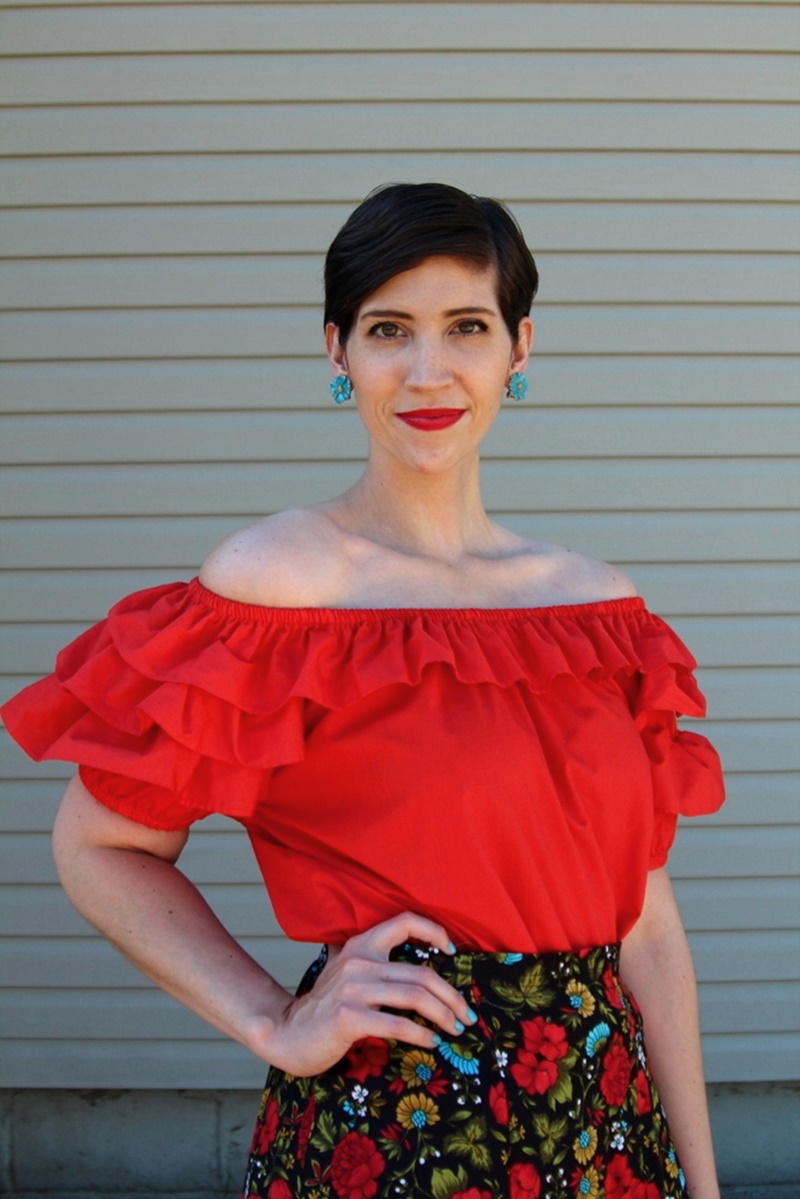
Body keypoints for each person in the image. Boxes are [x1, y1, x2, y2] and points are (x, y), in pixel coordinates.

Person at [2, 182, 725, 1199]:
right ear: (336, 351)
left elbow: (645, 927)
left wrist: (701, 1181)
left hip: (609, 1137)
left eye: (466, 326)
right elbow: (100, 845)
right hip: (393, 1139)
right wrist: (272, 1016)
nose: (427, 370)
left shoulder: (596, 611)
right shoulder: (277, 593)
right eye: (389, 329)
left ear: (518, 349)